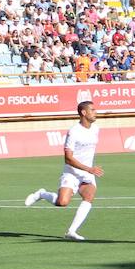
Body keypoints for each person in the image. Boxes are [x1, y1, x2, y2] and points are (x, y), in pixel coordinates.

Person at [24, 101, 103, 241]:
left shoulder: (95, 128)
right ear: (83, 113)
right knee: (62, 202)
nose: (95, 112)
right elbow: (68, 158)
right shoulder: (74, 132)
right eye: (92, 110)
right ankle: (42, 193)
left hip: (87, 173)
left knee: (89, 197)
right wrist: (88, 168)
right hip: (72, 172)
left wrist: (89, 170)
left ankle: (71, 231)